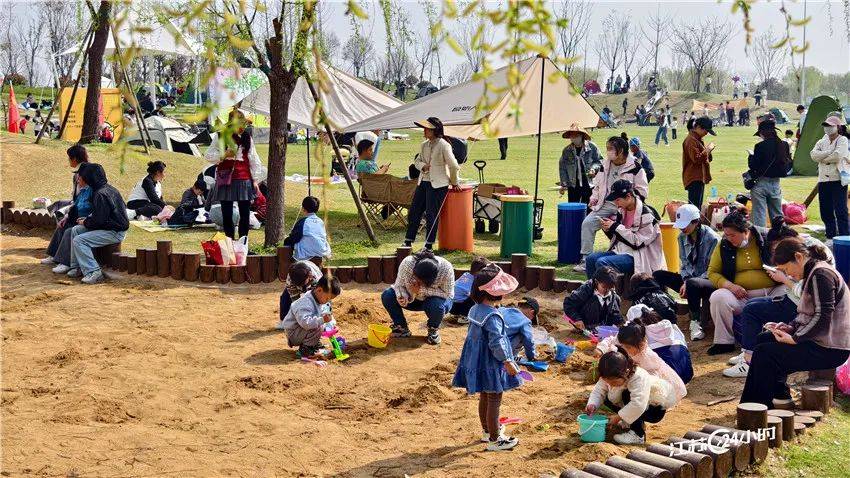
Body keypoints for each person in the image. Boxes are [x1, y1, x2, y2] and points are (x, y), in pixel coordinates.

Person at [740, 237, 850, 408]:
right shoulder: (813, 272)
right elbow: (809, 314)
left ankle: (757, 408)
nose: (787, 275)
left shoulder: (821, 274)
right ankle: (778, 397)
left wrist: (795, 338)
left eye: (786, 269)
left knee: (766, 353)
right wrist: (790, 327)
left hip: (831, 348)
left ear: (798, 257)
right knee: (764, 339)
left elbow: (823, 316)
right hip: (821, 342)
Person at [724, 217, 833, 378]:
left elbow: (811, 294)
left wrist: (784, 279)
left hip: (803, 308)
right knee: (753, 307)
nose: (777, 255)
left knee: (752, 310)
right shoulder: (801, 251)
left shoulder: (816, 257)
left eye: (780, 252)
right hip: (793, 300)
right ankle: (750, 352)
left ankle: (749, 360)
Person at [452, 264, 523, 451]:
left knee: (485, 395)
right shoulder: (493, 316)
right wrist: (507, 361)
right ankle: (495, 439)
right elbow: (497, 342)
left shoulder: (475, 309)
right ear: (495, 293)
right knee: (494, 398)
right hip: (491, 362)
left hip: (477, 360)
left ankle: (486, 432)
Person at [706, 209, 784, 356]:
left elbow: (788, 262)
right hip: (742, 296)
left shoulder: (767, 237)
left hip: (773, 292)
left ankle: (782, 336)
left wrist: (779, 273)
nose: (728, 238)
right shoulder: (723, 245)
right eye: (726, 235)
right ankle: (724, 342)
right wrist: (731, 286)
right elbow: (712, 272)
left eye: (733, 235)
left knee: (791, 292)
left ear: (746, 231)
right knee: (718, 296)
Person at [574, 136, 649, 272]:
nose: (607, 152)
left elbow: (643, 192)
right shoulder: (605, 164)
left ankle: (618, 258)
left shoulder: (636, 167)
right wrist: (594, 197)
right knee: (588, 223)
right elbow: (597, 185)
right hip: (606, 203)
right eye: (607, 148)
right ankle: (586, 259)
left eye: (610, 149)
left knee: (618, 230)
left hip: (626, 206)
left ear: (620, 151)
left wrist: (628, 203)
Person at [584, 347, 679, 444]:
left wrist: (618, 417)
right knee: (607, 397)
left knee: (626, 394)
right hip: (640, 405)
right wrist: (592, 404)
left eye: (614, 382)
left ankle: (638, 435)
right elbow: (598, 391)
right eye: (607, 381)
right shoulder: (608, 375)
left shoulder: (638, 377)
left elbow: (638, 404)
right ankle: (630, 422)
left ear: (626, 372)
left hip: (654, 409)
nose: (610, 384)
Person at [653, 204, 720, 340]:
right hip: (690, 280)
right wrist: (685, 281)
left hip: (709, 281)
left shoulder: (713, 239)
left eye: (686, 224)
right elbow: (684, 264)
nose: (683, 228)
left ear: (696, 221)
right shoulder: (681, 237)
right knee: (658, 275)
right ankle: (665, 309)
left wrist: (688, 282)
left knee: (693, 284)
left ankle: (696, 322)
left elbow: (713, 270)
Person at [585, 179, 665, 278]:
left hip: (639, 256)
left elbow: (637, 243)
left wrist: (615, 227)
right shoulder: (621, 211)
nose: (616, 203)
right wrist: (609, 229)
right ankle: (594, 291)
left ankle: (607, 293)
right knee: (591, 259)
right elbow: (618, 238)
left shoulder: (647, 215)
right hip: (621, 251)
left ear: (628, 196)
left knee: (603, 263)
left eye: (618, 200)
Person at [66, 163, 129, 284]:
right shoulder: (103, 189)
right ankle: (77, 267)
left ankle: (94, 272)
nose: (79, 179)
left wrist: (86, 221)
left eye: (81, 176)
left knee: (79, 240)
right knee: (76, 230)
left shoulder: (100, 193)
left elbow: (100, 221)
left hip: (115, 232)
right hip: (109, 228)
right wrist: (87, 220)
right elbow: (101, 215)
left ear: (89, 178)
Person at [205, 115, 266, 240]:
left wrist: (255, 179)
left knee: (245, 214)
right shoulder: (220, 136)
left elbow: (253, 158)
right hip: (225, 178)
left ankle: (243, 243)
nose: (243, 127)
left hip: (244, 179)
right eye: (241, 124)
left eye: (245, 124)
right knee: (227, 214)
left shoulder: (246, 137)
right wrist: (223, 155)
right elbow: (208, 155)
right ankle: (230, 243)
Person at [404, 117, 460, 250]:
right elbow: (417, 162)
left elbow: (453, 165)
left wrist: (454, 182)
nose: (424, 131)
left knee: (431, 215)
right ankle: (407, 242)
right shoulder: (424, 145)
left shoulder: (444, 145)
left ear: (435, 130)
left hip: (438, 185)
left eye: (427, 128)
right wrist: (423, 166)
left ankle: (428, 245)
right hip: (423, 182)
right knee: (414, 212)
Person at [596, 315, 689, 395]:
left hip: (657, 381)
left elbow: (652, 378)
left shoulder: (647, 357)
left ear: (640, 345)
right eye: (622, 345)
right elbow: (610, 340)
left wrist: (630, 380)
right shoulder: (624, 340)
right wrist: (600, 349)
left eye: (628, 347)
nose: (624, 348)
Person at [381, 250, 455, 345]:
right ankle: (401, 327)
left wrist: (420, 290)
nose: (417, 281)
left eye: (422, 282)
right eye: (416, 278)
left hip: (434, 301)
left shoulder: (446, 269)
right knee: (388, 295)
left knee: (437, 306)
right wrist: (402, 296)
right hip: (413, 299)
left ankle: (433, 329)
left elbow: (448, 294)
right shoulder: (408, 263)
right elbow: (399, 285)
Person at [42, 144, 91, 265]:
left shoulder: (84, 173)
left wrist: (68, 213)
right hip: (79, 204)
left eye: (69, 158)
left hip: (85, 210)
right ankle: (54, 254)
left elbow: (82, 198)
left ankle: (61, 259)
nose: (68, 161)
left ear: (74, 159)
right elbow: (77, 197)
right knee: (61, 215)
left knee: (64, 220)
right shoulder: (79, 172)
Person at [281, 275, 341, 359]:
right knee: (319, 325)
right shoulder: (305, 303)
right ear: (319, 290)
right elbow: (306, 323)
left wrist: (332, 325)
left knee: (320, 324)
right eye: (327, 298)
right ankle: (306, 351)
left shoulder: (320, 300)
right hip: (294, 333)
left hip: (302, 331)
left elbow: (327, 314)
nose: (328, 301)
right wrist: (323, 320)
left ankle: (314, 345)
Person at [810, 115, 850, 242]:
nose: (827, 128)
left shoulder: (842, 139)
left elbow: (838, 156)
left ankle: (844, 236)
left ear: (838, 127)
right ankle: (830, 235)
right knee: (825, 210)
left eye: (830, 126)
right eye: (826, 126)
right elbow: (813, 155)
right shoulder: (822, 141)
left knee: (841, 210)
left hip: (838, 179)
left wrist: (822, 159)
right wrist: (828, 153)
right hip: (823, 180)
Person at [49, 166, 93, 274]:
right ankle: (54, 256)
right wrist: (66, 217)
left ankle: (65, 262)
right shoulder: (83, 191)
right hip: (78, 220)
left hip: (88, 222)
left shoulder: (93, 192)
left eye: (79, 178)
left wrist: (86, 220)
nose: (77, 180)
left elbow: (95, 211)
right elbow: (74, 206)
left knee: (70, 231)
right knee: (62, 226)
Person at [563, 266, 623, 331]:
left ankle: (600, 328)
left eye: (610, 288)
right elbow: (568, 304)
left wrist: (621, 322)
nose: (607, 290)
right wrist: (577, 319)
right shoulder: (586, 290)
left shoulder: (611, 293)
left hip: (602, 325)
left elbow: (615, 312)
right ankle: (590, 327)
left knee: (616, 298)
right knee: (594, 300)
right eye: (604, 287)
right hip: (584, 322)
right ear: (596, 281)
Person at [558, 124, 602, 204]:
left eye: (576, 135)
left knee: (589, 208)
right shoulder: (566, 151)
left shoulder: (592, 147)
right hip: (573, 185)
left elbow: (599, 161)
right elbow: (563, 168)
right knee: (574, 209)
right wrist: (563, 184)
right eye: (572, 136)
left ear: (582, 136)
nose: (573, 138)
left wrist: (594, 169)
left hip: (589, 183)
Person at [277, 260, 324, 330]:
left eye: (302, 283)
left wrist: (312, 321)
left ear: (309, 276)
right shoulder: (290, 279)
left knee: (314, 301)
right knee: (285, 298)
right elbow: (295, 301)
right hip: (299, 280)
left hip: (312, 281)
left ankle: (318, 321)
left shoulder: (316, 279)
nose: (300, 287)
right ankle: (283, 321)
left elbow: (316, 300)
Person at [283, 196, 331, 264]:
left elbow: (295, 237)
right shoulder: (320, 221)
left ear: (303, 208)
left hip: (306, 255)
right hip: (321, 252)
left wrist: (286, 241)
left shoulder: (303, 221)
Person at [682, 116, 716, 210]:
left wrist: (708, 151)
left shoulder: (697, 139)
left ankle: (696, 224)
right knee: (694, 208)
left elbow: (706, 158)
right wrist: (708, 149)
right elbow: (696, 159)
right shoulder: (691, 140)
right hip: (694, 178)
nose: (706, 134)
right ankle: (694, 224)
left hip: (699, 177)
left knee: (697, 207)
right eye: (706, 131)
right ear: (699, 127)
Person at [450, 256, 491, 323]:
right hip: (459, 305)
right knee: (477, 296)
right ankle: (464, 316)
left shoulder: (465, 275)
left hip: (451, 305)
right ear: (480, 271)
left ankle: (456, 315)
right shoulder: (474, 281)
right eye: (486, 271)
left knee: (470, 296)